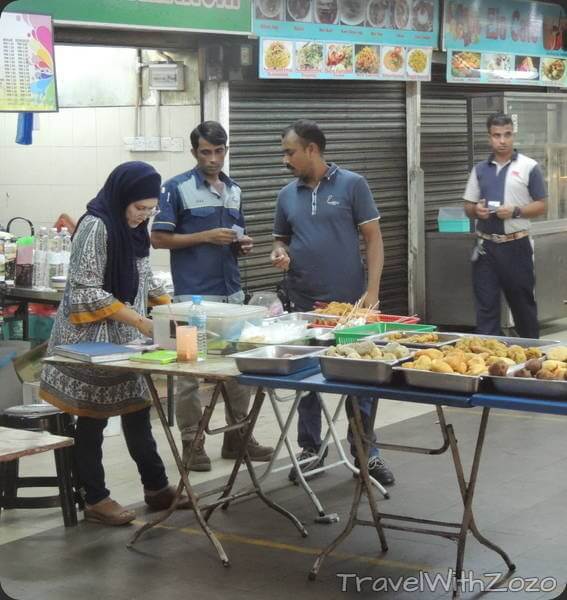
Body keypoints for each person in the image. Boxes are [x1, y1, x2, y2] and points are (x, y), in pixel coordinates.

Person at [40, 161, 189, 526]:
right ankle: (95, 498)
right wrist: (141, 321)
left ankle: (156, 488)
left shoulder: (133, 229)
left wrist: (173, 309)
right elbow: (85, 289)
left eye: (150, 210)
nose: (144, 216)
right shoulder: (96, 225)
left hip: (125, 342)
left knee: (138, 412)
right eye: (139, 208)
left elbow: (143, 277)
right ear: (122, 197)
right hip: (87, 343)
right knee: (91, 420)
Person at [270, 119, 394, 486]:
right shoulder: (285, 195)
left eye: (289, 152)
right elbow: (281, 240)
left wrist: (371, 293)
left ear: (312, 149)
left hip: (351, 306)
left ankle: (365, 451)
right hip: (303, 302)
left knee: (361, 378)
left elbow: (373, 239)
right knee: (308, 379)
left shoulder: (352, 185)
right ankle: (311, 448)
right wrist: (279, 253)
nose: (284, 159)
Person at [151, 121, 273, 471]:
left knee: (237, 366)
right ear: (194, 153)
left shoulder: (234, 190)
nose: (213, 159)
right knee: (189, 371)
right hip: (193, 300)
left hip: (232, 299)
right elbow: (159, 239)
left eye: (219, 151)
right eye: (206, 152)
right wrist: (205, 236)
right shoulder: (175, 189)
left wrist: (242, 244)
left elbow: (236, 236)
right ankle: (193, 440)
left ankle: (238, 436)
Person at [464, 113, 546, 338]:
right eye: (497, 135)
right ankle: (485, 363)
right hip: (486, 248)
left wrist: (516, 211)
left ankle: (533, 356)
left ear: (513, 135)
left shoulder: (529, 167)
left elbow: (542, 205)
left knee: (523, 307)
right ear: (489, 137)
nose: (503, 141)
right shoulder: (480, 170)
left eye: (507, 135)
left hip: (516, 246)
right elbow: (468, 205)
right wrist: (476, 210)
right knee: (486, 308)